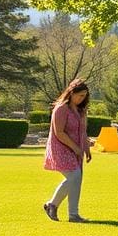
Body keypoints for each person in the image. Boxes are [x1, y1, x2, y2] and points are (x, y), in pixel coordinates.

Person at [42, 78, 92, 222]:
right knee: (74, 177)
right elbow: (59, 132)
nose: (82, 99)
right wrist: (75, 147)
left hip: (76, 149)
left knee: (76, 180)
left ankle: (73, 214)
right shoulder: (61, 109)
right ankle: (52, 204)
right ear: (71, 93)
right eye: (80, 95)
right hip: (61, 148)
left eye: (84, 96)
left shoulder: (81, 110)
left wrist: (86, 148)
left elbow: (83, 131)